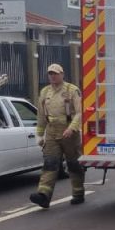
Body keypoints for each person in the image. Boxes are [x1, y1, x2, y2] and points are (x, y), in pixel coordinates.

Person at [30, 64, 85, 208]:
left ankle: (78, 193)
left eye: (55, 73)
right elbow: (41, 116)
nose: (53, 76)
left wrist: (72, 128)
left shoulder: (72, 90)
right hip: (52, 131)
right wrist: (40, 134)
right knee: (50, 162)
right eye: (50, 74)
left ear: (62, 74)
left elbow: (80, 112)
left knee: (73, 164)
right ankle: (43, 195)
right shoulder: (45, 92)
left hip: (69, 132)